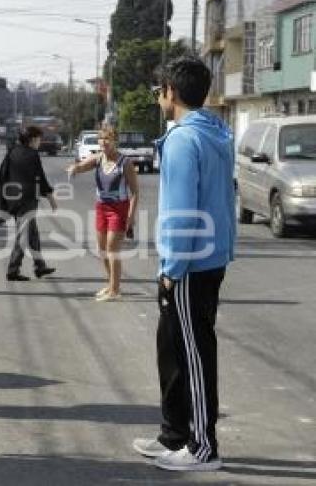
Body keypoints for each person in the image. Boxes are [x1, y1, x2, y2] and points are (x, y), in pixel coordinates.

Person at [132, 56, 235, 472]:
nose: (159, 98)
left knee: (193, 353)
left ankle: (202, 447)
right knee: (171, 346)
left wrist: (171, 269)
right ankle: (173, 433)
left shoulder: (182, 140)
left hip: (190, 263)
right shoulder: (215, 131)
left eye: (159, 91)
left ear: (170, 93)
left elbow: (181, 211)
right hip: (209, 256)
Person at [67, 126, 139, 301]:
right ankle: (110, 285)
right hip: (101, 208)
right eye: (101, 139)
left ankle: (115, 291)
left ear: (115, 141)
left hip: (118, 209)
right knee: (102, 251)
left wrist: (130, 217)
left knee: (112, 250)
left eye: (107, 139)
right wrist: (74, 169)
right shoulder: (98, 159)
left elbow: (135, 192)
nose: (103, 142)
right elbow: (82, 165)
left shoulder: (125, 163)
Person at [1, 126, 57, 281]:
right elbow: (41, 178)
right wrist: (52, 199)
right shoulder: (32, 155)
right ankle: (13, 270)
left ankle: (40, 266)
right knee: (23, 235)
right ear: (32, 139)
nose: (40, 142)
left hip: (13, 199)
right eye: (39, 139)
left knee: (32, 233)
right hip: (27, 200)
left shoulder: (12, 152)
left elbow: (3, 176)